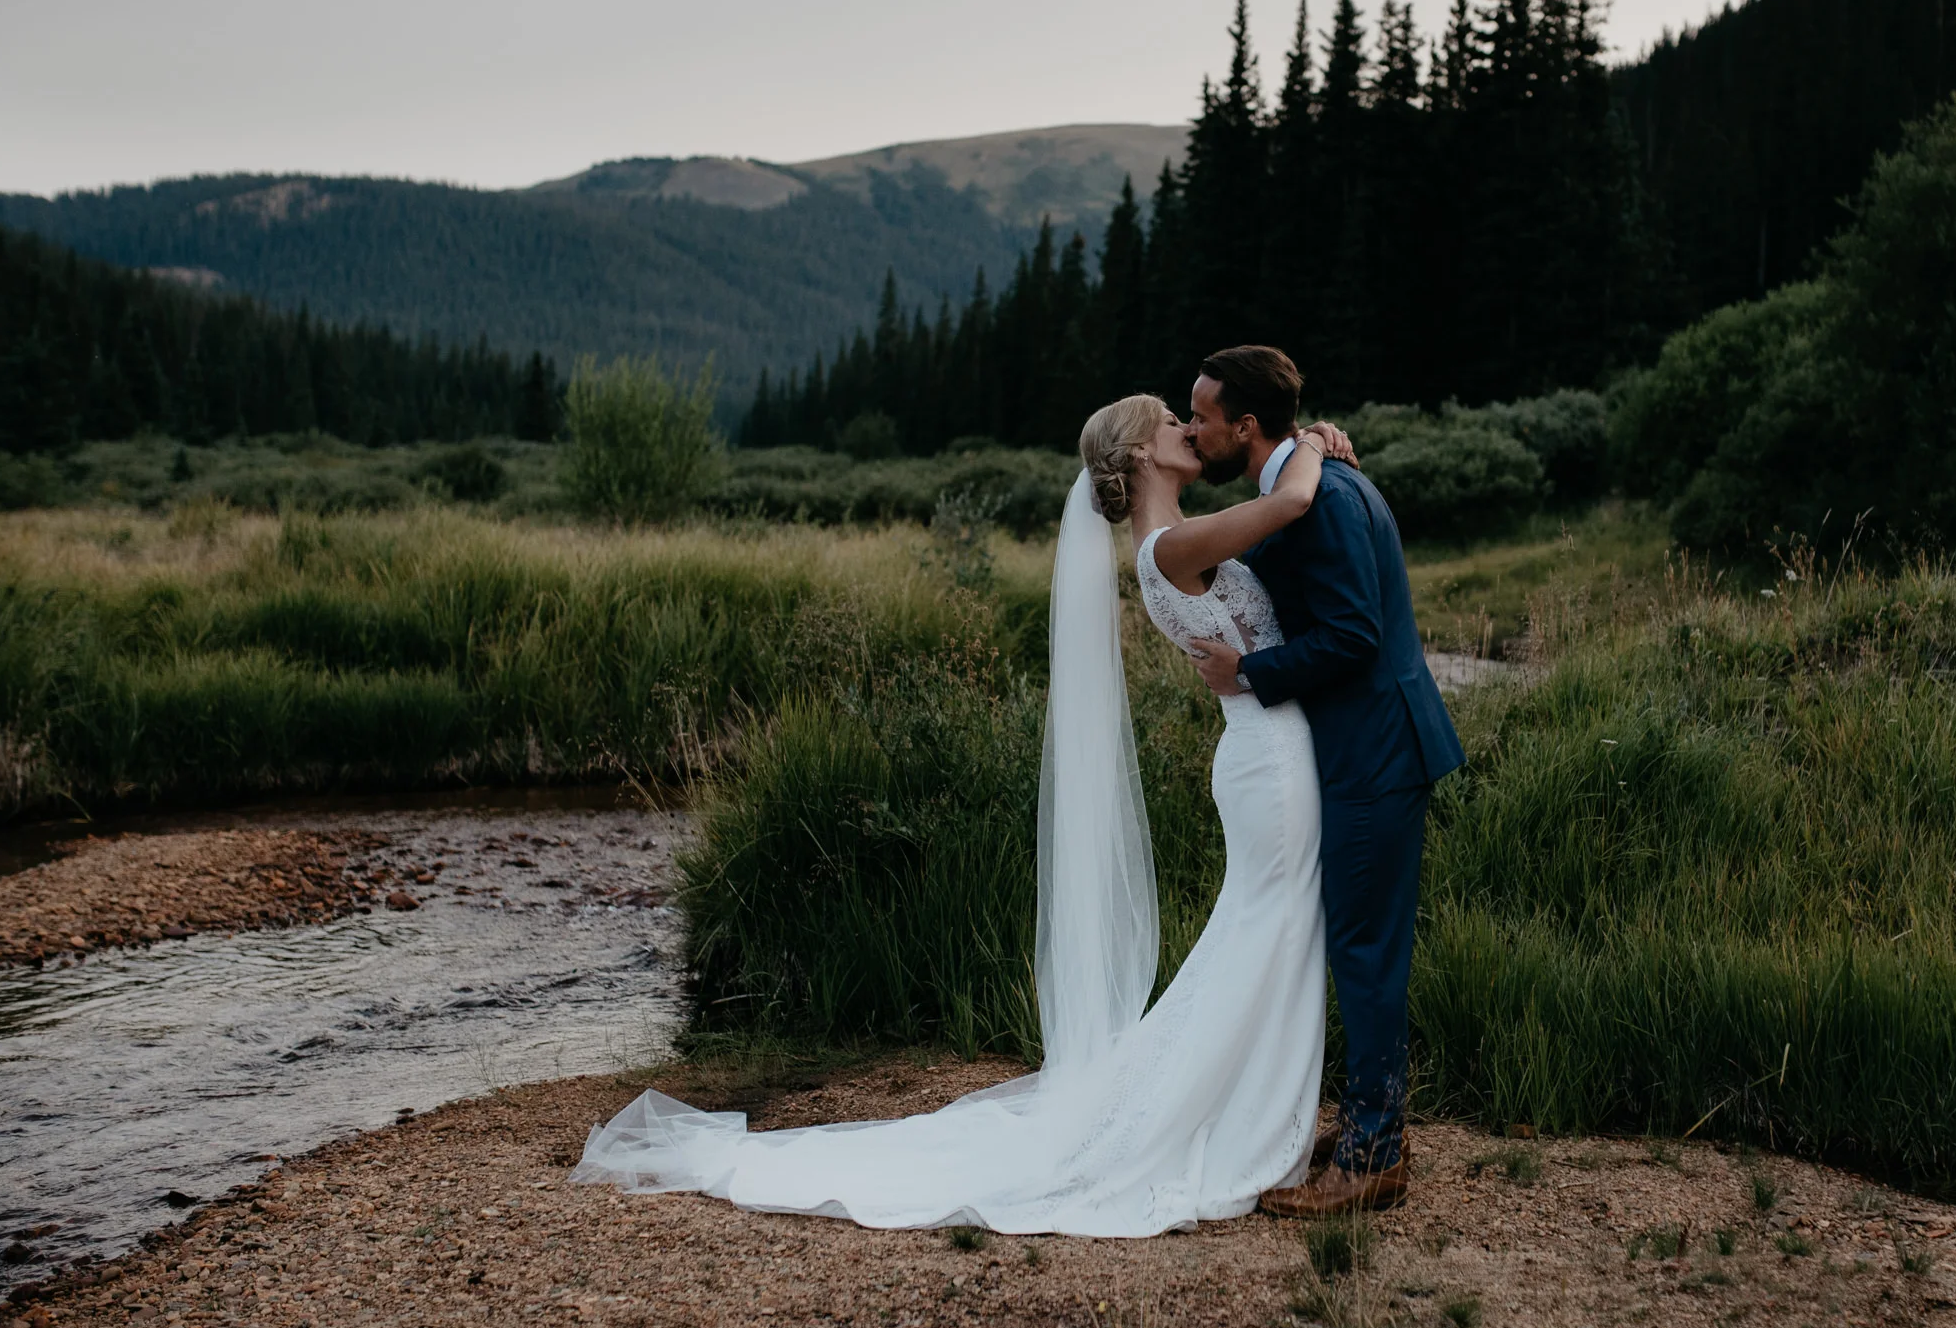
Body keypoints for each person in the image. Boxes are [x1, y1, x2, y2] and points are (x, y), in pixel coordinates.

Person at [569, 393, 1359, 1235]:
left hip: (1269, 755)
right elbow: (1291, 502)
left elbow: (1275, 535)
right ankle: (1243, 1130)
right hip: (1268, 761)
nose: (1188, 427)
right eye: (1171, 421)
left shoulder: (1177, 539)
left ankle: (1248, 1118)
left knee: (1268, 930)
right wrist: (1312, 440)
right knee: (1268, 930)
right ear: (1139, 455)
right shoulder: (1170, 547)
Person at [1180, 345, 1464, 1215]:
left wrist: (1248, 673)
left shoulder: (1324, 498)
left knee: (1366, 952)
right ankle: (1373, 1119)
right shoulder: (1303, 482)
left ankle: (1374, 1154)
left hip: (1378, 754)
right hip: (1365, 750)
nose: (1194, 427)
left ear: (1247, 426)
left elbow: (1353, 636)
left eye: (1203, 416)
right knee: (1358, 944)